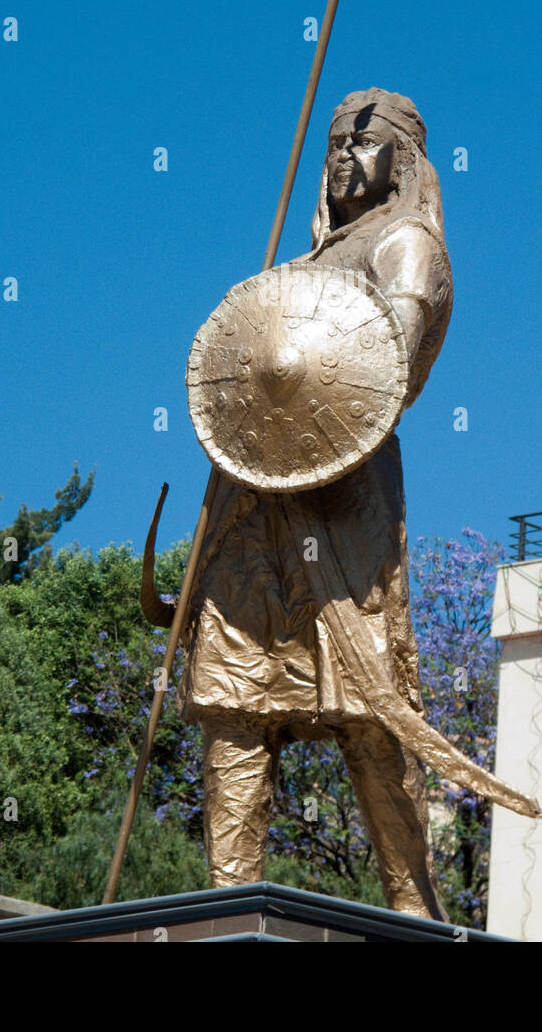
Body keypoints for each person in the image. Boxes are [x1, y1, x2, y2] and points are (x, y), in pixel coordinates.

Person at [175, 87, 453, 919]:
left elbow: (387, 376)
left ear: (402, 160)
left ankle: (414, 908)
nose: (341, 158)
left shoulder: (406, 246)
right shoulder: (293, 269)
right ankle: (226, 909)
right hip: (248, 507)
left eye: (362, 143)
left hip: (341, 508)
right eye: (333, 143)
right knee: (231, 699)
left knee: (368, 709)